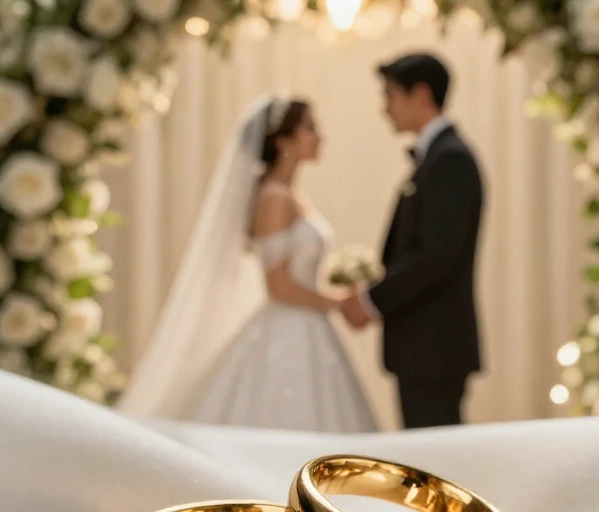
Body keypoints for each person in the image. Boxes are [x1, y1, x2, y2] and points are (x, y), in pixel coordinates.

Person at [118, 95, 378, 433]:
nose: (320, 137)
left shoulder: (289, 194)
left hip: (308, 326)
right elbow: (278, 285)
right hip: (289, 329)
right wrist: (336, 301)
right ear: (284, 141)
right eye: (310, 129)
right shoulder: (274, 198)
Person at [338, 52, 485, 429]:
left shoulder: (449, 160)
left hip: (433, 345)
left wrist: (371, 300)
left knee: (434, 462)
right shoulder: (437, 158)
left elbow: (436, 255)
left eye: (389, 95)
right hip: (424, 346)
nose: (384, 109)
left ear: (420, 95)